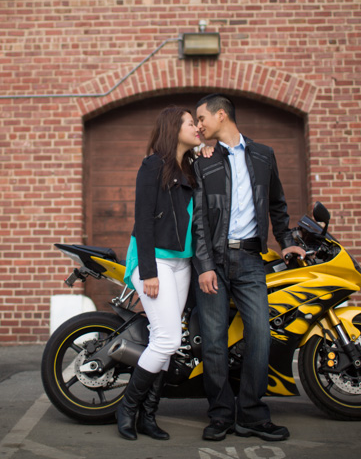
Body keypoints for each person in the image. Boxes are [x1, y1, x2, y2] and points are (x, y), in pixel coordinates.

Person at [191, 93, 306, 443]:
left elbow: (277, 204)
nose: (198, 125)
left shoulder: (263, 155)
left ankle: (253, 414)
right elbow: (198, 218)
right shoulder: (203, 160)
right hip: (214, 260)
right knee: (213, 342)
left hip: (251, 260)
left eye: (201, 119)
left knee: (260, 334)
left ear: (221, 115)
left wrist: (287, 240)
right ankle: (221, 414)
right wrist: (205, 265)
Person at [116, 106, 201, 441]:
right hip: (156, 262)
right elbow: (143, 220)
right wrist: (148, 271)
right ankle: (127, 409)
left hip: (182, 263)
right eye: (191, 123)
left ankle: (148, 416)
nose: (196, 127)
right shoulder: (153, 165)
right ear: (173, 128)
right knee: (168, 338)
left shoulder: (190, 168)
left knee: (162, 341)